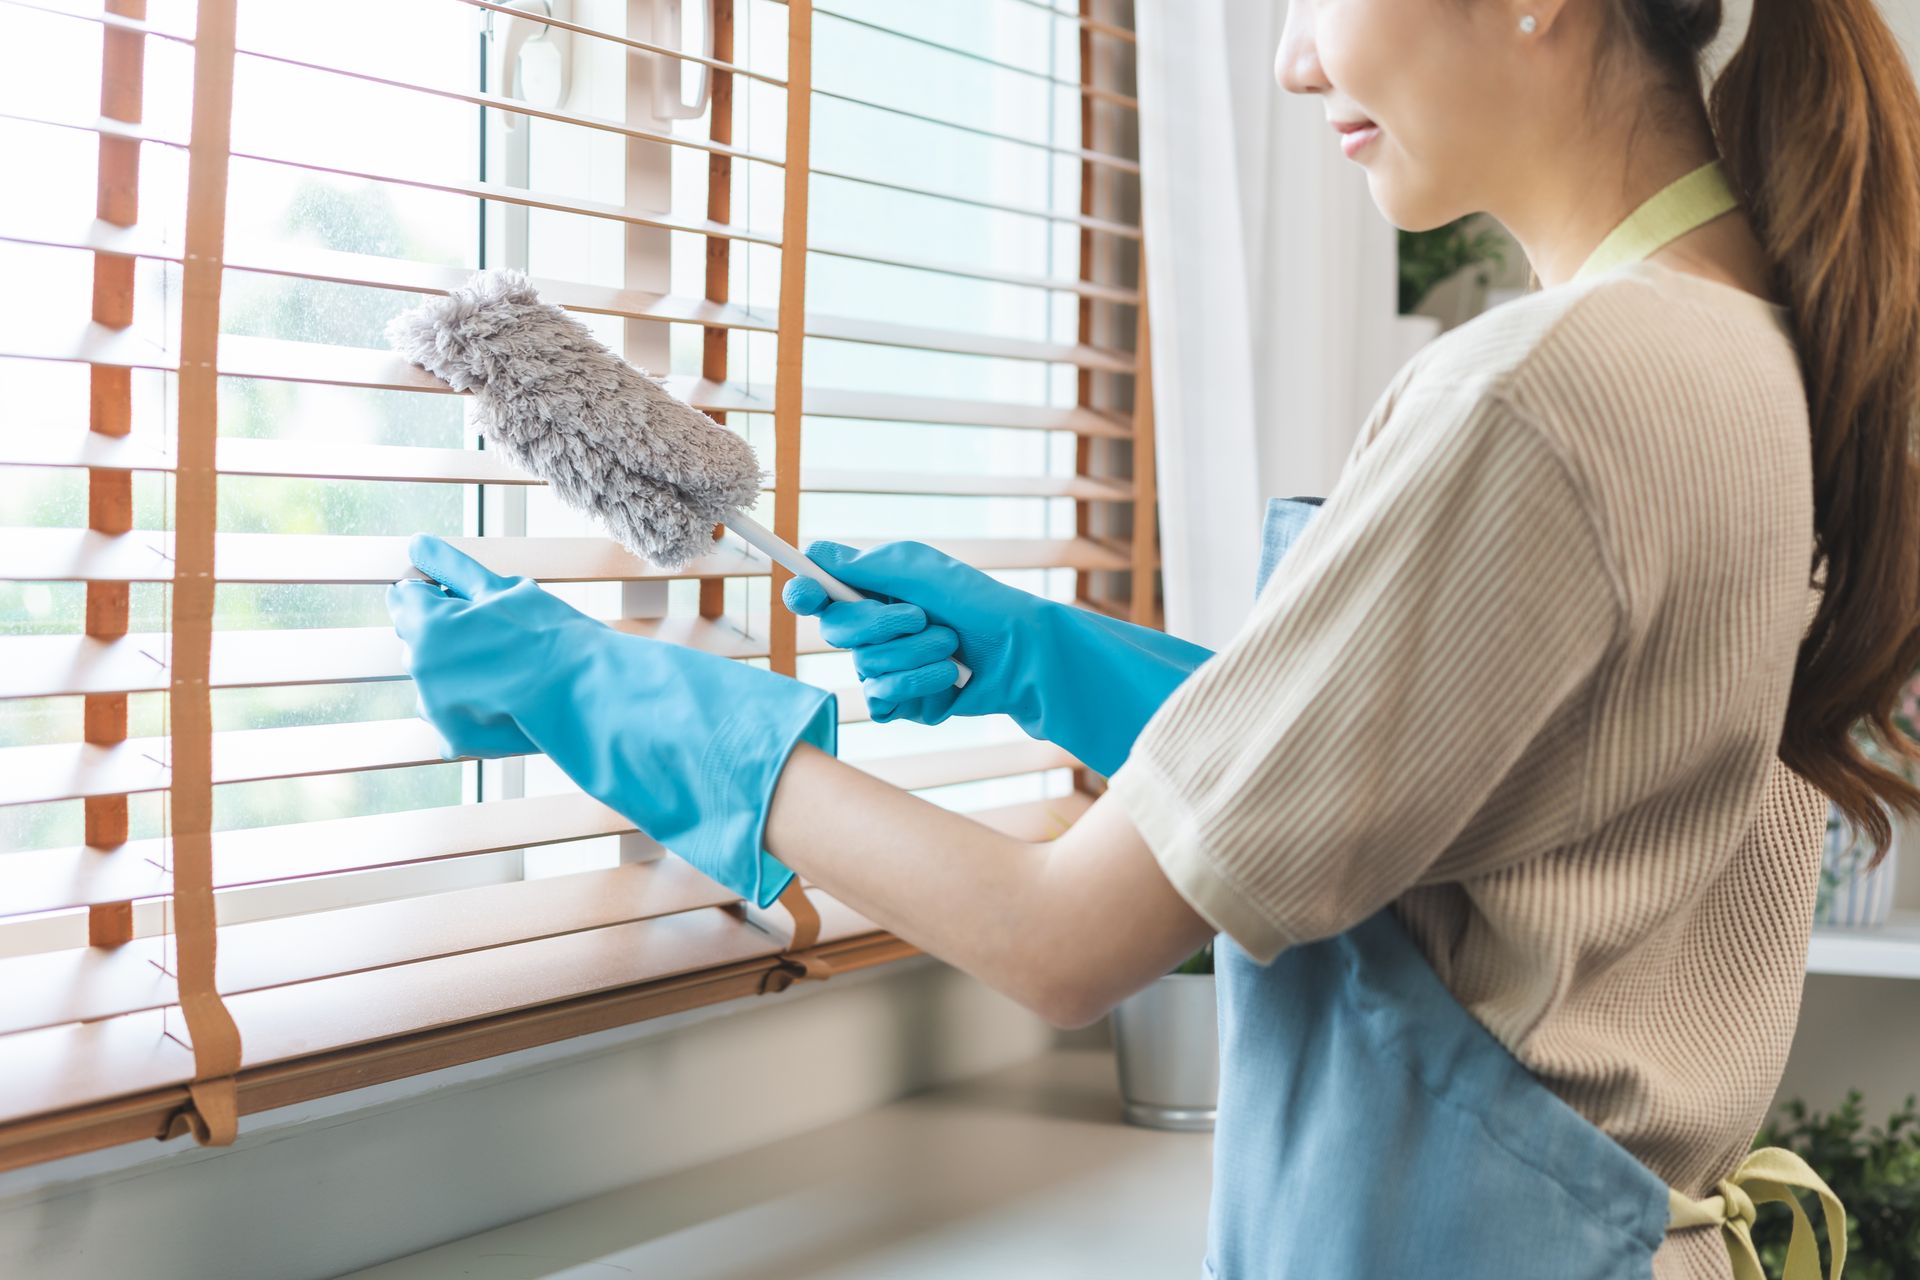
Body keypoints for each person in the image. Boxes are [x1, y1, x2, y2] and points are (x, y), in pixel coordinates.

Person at [388, 0, 1920, 1274]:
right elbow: (1481, 791)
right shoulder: (1734, 343)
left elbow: (1066, 943)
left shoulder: (1546, 390)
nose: (1292, 64)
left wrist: (606, 693)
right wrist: (1050, 655)